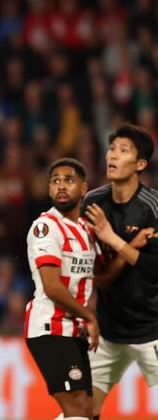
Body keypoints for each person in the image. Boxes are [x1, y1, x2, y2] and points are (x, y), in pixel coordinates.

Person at [82, 123, 158, 419]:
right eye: (112, 148)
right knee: (84, 411)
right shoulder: (92, 203)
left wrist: (112, 238)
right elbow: (90, 271)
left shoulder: (152, 207)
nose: (113, 155)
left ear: (140, 164)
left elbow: (154, 270)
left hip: (152, 329)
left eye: (124, 150)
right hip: (108, 331)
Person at [25, 158, 100, 420]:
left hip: (75, 328)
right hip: (49, 325)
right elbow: (52, 286)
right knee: (77, 408)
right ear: (48, 190)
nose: (61, 186)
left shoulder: (87, 230)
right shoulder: (45, 227)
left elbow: (98, 279)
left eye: (69, 180)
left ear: (83, 188)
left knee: (88, 412)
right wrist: (90, 317)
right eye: (55, 180)